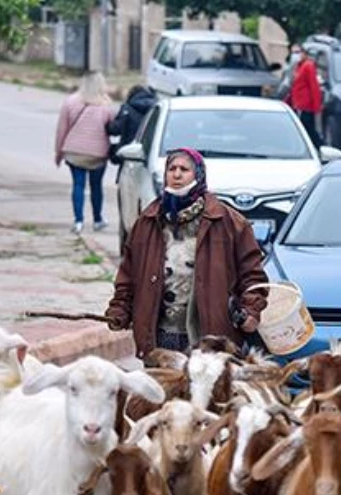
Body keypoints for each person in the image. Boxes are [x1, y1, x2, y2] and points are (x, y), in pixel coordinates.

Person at [105, 148, 269, 358]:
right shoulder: (147, 222)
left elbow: (252, 275)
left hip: (210, 339)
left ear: (198, 175)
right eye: (171, 169)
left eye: (185, 169)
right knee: (163, 390)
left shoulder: (228, 222)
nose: (177, 174)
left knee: (203, 391)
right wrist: (120, 309)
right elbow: (128, 275)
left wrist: (251, 310)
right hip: (161, 335)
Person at [54, 71, 115, 234]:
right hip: (97, 153)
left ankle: (79, 221)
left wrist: (58, 153)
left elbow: (62, 130)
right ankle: (97, 219)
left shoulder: (70, 102)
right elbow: (112, 128)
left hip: (74, 152)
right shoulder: (106, 104)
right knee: (96, 187)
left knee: (78, 185)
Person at [106, 84, 156, 165]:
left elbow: (116, 129)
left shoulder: (128, 108)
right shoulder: (156, 108)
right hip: (150, 151)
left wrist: (107, 125)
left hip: (128, 151)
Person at [288, 47, 323, 147]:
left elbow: (314, 87)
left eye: (298, 52)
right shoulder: (298, 66)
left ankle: (319, 146)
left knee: (308, 129)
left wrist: (317, 107)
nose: (296, 55)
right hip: (298, 104)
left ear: (304, 53)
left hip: (305, 106)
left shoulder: (308, 66)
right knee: (305, 129)